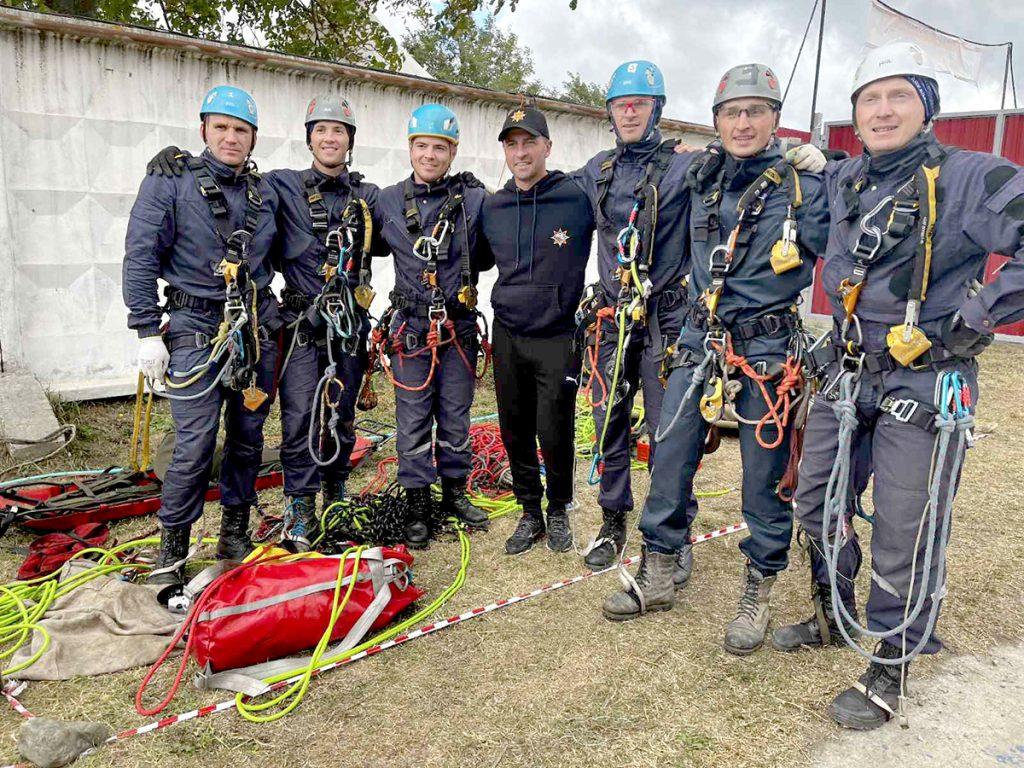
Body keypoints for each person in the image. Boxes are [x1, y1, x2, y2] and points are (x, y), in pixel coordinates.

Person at [783, 41, 1024, 729]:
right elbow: (798, 189)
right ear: (854, 115)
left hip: (926, 377)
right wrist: (797, 161)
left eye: (899, 96)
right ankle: (834, 612)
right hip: (847, 368)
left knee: (903, 527)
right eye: (870, 99)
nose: (883, 110)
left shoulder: (970, 176)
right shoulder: (847, 177)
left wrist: (964, 323)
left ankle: (893, 655)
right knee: (814, 505)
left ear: (927, 107)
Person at [601, 65, 829, 659]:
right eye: (733, 112)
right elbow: (631, 180)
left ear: (776, 119)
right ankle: (658, 568)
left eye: (756, 111)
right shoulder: (700, 175)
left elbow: (864, 222)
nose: (744, 122)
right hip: (700, 337)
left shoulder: (804, 186)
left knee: (762, 471)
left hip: (767, 347)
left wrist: (831, 167)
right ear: (716, 119)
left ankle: (758, 587)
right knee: (670, 448)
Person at [125, 85, 280, 589]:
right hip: (194, 329)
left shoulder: (267, 192)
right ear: (204, 132)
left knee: (248, 436)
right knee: (194, 443)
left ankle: (233, 535)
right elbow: (140, 254)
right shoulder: (169, 182)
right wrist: (147, 329)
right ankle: (171, 551)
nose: (232, 138)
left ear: (253, 137)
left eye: (241, 130)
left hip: (253, 328)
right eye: (222, 128)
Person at [574, 60, 698, 575]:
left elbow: (746, 165)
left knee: (672, 431)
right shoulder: (596, 170)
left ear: (657, 110)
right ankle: (613, 519)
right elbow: (545, 194)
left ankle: (674, 532)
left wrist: (803, 156)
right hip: (610, 321)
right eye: (621, 105)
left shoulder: (685, 166)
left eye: (639, 104)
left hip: (665, 325)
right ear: (609, 112)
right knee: (609, 424)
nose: (629, 112)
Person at [370, 104, 492, 548]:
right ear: (410, 148)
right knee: (413, 419)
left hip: (457, 329)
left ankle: (456, 492)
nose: (429, 154)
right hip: (411, 330)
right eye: (421, 145)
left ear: (453, 151)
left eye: (439, 147)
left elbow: (495, 245)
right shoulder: (384, 200)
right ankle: (418, 501)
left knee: (455, 417)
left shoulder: (475, 201)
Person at [479, 105, 595, 555]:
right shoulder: (493, 206)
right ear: (505, 151)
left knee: (555, 425)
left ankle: (559, 508)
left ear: (548, 146)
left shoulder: (578, 197)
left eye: (530, 142)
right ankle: (529, 511)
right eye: (513, 143)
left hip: (558, 334)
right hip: (508, 332)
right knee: (514, 427)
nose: (521, 151)